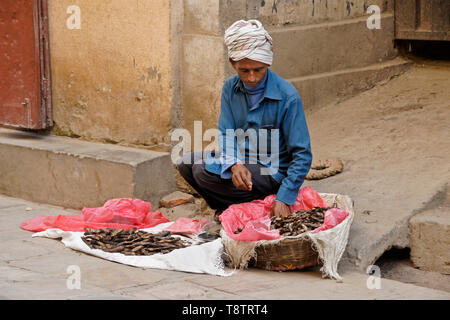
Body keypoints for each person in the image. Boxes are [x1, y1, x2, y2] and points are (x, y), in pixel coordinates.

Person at [177, 19, 312, 217]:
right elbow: (226, 131)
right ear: (233, 63)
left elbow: (302, 154)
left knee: (202, 172)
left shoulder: (287, 96)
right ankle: (229, 208)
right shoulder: (230, 88)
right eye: (244, 70)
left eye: (258, 70)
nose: (252, 78)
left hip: (271, 171)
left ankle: (252, 203)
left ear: (268, 62)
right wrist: (234, 163)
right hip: (243, 160)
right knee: (186, 163)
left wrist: (284, 197)